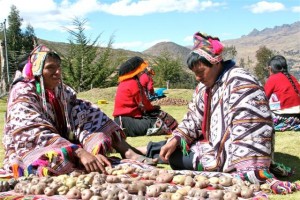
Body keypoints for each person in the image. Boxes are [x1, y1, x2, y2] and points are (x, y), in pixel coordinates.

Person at [142, 32, 299, 194]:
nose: (197, 77)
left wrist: (249, 169)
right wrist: (177, 138)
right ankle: (143, 150)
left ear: (216, 63)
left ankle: (144, 151)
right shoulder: (204, 86)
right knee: (173, 147)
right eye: (194, 73)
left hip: (232, 157)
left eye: (201, 71)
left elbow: (251, 132)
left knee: (175, 158)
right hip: (211, 146)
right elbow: (194, 118)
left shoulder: (242, 84)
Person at [2, 45, 157, 178]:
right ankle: (80, 157)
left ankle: (126, 150)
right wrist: (79, 152)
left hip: (64, 142)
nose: (57, 73)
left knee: (90, 111)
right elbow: (33, 130)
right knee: (54, 164)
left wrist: (91, 148)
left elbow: (80, 114)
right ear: (36, 70)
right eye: (50, 68)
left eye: (58, 68)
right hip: (32, 147)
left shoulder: (61, 90)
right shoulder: (22, 92)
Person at [113, 56, 178, 137]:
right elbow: (143, 104)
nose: (141, 72)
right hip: (126, 122)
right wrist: (153, 108)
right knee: (160, 124)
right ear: (135, 72)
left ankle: (177, 129)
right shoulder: (133, 83)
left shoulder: (127, 82)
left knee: (160, 115)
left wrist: (152, 108)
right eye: (140, 70)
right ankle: (175, 130)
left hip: (125, 119)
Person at [264, 55, 300, 131]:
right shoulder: (292, 78)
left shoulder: (272, 79)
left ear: (270, 68)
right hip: (298, 117)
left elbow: (263, 98)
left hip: (282, 117)